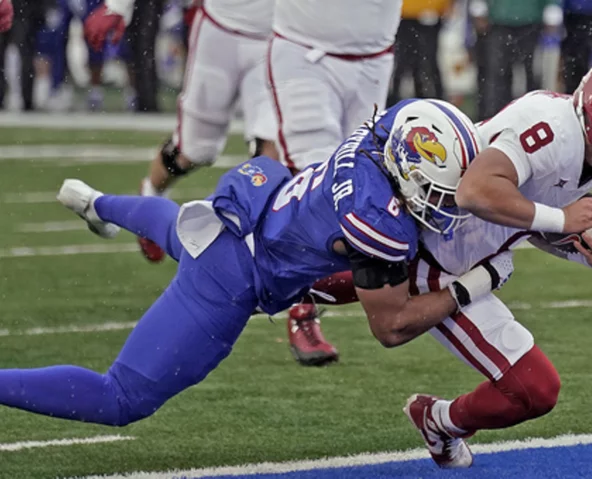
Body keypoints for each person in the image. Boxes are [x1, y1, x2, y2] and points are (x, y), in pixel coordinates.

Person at [0, 99, 518, 429]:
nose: (447, 203)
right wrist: (476, 282)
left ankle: (98, 204)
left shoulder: (386, 132)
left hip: (249, 210)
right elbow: (391, 326)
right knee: (121, 399)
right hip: (228, 280)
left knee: (176, 226)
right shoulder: (377, 223)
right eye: (438, 192)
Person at [400, 52, 592, 468]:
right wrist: (566, 217)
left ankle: (439, 420)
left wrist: (576, 248)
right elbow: (475, 191)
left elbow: (526, 216)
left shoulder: (590, 149)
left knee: (535, 390)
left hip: (466, 263)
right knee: (290, 283)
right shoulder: (552, 129)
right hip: (421, 249)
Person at [84, 0, 279, 262]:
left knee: (274, 158)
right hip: (220, 29)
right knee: (195, 151)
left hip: (282, 40)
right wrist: (119, 6)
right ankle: (152, 193)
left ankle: (291, 282)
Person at [268, 0, 403, 366]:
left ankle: (301, 295)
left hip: (372, 58)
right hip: (304, 50)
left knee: (368, 184)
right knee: (319, 186)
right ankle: (296, 303)